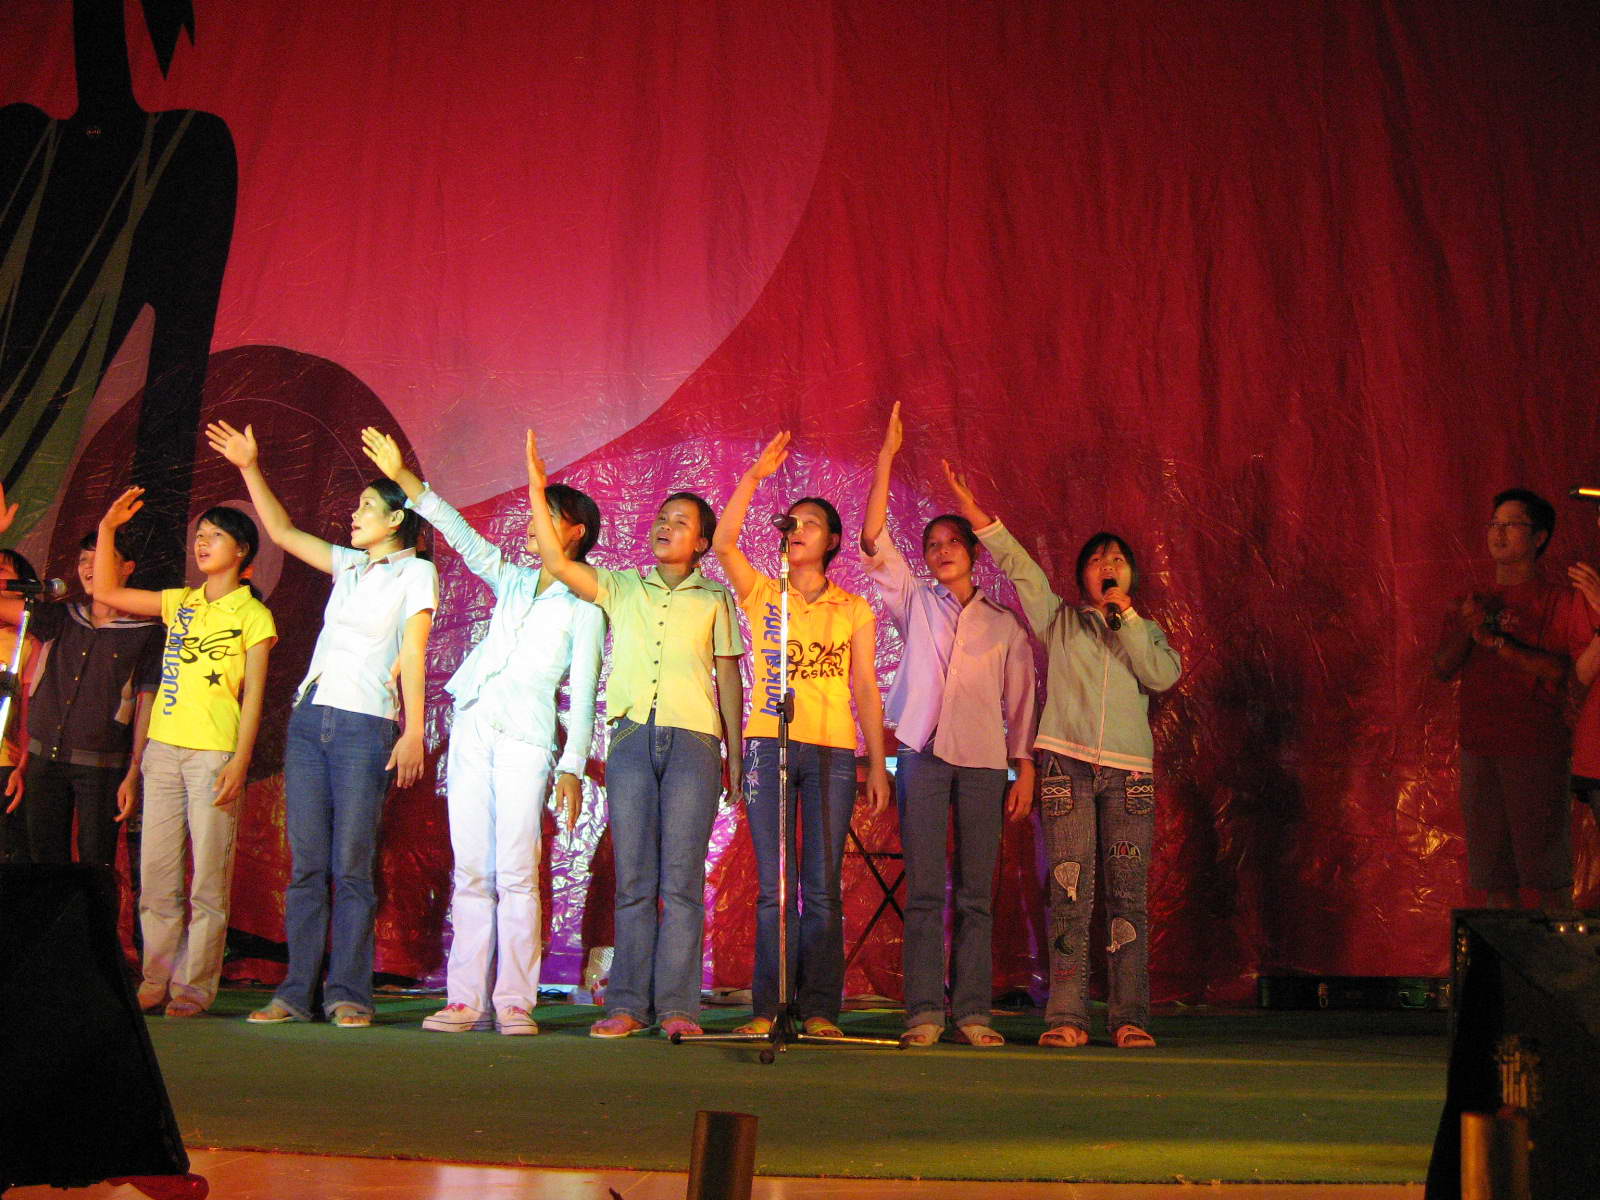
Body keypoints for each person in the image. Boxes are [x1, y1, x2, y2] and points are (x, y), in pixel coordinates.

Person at [360, 427, 605, 1037]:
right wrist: (406, 479)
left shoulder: (588, 604)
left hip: (526, 736)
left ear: (574, 531)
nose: (533, 524)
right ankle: (465, 998)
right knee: (472, 869)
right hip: (475, 722)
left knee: (517, 870)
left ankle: (515, 1001)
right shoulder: (514, 579)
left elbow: (582, 693)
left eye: (546, 513)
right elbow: (460, 534)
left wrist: (572, 766)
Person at [206, 420, 437, 1029]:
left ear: (396, 519)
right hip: (311, 721)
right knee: (306, 865)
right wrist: (249, 466)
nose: (353, 516)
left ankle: (348, 993)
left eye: (366, 507)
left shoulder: (416, 573)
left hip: (365, 726)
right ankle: (294, 992)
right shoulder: (349, 566)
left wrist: (413, 729)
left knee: (351, 865)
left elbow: (413, 652)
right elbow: (282, 532)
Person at [945, 463, 1180, 1049]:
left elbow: (1161, 676)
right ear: (1082, 575)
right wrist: (979, 518)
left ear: (1130, 576)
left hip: (1129, 773)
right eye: (1097, 559)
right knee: (1070, 894)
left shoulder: (1145, 630)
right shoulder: (1060, 621)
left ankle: (1129, 1017)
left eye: (1117, 560)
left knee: (1127, 897)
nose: (1107, 565)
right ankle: (1067, 1016)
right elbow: (1021, 568)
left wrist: (1126, 619)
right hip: (1065, 766)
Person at [524, 428, 744, 1040]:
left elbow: (729, 676)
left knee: (682, 882)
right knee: (636, 881)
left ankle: (678, 1008)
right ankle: (626, 1004)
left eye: (680, 522)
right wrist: (539, 490)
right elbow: (557, 562)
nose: (665, 527)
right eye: (661, 519)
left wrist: (735, 752)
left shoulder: (715, 598)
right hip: (630, 740)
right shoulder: (622, 585)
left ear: (701, 543)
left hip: (695, 743)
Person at [861, 405, 1037, 1047]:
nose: (939, 552)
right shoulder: (915, 601)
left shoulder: (1004, 624)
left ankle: (972, 1013)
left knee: (976, 894)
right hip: (924, 758)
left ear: (973, 554)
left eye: (951, 543)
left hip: (986, 763)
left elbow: (1022, 703)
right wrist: (886, 457)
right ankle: (924, 1013)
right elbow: (873, 539)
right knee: (926, 891)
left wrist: (1024, 767)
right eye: (931, 545)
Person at [712, 432, 891, 1039]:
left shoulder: (852, 608)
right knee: (775, 887)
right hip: (770, 744)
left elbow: (865, 687)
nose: (798, 530)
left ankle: (819, 1010)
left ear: (833, 540)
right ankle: (768, 1008)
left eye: (811, 523)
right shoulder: (766, 594)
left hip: (833, 751)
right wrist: (754, 477)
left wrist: (876, 763)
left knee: (822, 887)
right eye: (793, 522)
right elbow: (724, 543)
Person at [90, 490, 276, 1017]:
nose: (202, 543)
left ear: (241, 550)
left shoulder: (254, 615)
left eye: (215, 536)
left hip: (214, 754)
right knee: (157, 875)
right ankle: (156, 978)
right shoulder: (181, 601)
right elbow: (106, 590)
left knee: (208, 881)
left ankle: (194, 987)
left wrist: (240, 760)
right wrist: (107, 528)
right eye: (199, 535)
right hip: (163, 751)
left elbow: (254, 698)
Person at [1433, 489, 1581, 913]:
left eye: (1511, 525)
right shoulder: (1474, 600)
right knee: (1495, 879)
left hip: (1536, 749)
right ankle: (1503, 956)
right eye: (1494, 525)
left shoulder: (1556, 600)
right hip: (1480, 749)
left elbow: (1562, 671)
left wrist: (1499, 643)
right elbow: (1442, 668)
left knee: (1548, 879)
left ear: (1539, 537)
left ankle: (1556, 955)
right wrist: (1468, 628)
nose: (1498, 534)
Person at [0, 520, 162, 871]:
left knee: (96, 867)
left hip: (101, 768)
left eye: (99, 558)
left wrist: (135, 772)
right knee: (44, 868)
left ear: (127, 568)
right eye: (83, 560)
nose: (89, 567)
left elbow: (146, 705)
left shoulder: (146, 632)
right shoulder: (62, 616)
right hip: (43, 762)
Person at [0, 547, 42, 863]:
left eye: (2, 572)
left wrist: (23, 765)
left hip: (4, 763)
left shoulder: (28, 642)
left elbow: (29, 709)